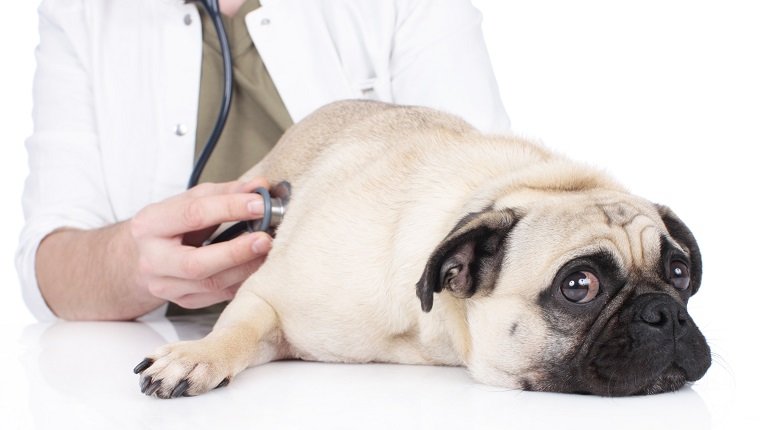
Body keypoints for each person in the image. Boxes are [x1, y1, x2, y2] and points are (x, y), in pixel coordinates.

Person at [17, 0, 510, 322]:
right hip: (165, 376)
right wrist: (131, 264)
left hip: (377, 377)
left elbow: (487, 207)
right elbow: (48, 270)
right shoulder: (78, 12)